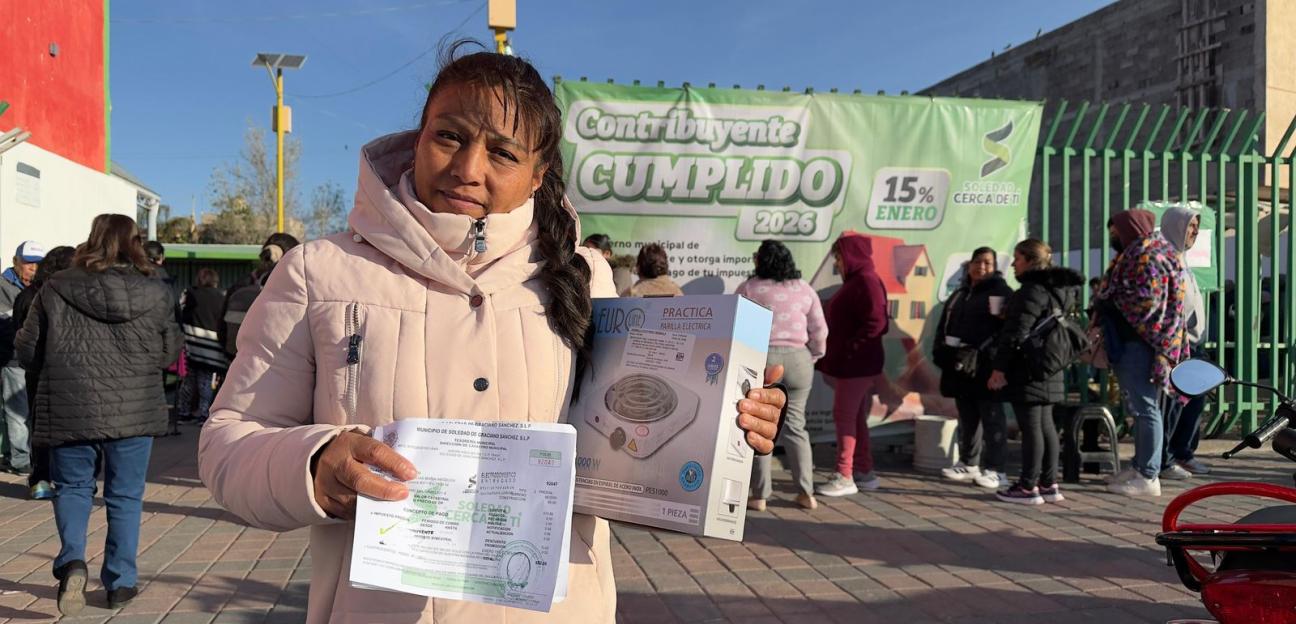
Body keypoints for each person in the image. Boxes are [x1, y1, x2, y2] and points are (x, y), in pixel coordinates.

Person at [196, 45, 786, 624]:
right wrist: (314, 464)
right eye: (449, 136)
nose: (467, 168)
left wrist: (731, 423)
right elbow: (227, 444)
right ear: (419, 137)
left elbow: (634, 444)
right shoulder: (320, 272)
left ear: (537, 175)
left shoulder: (584, 277)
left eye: (502, 152)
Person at [16, 214, 181, 615]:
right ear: (135, 242)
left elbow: (27, 348)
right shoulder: (156, 291)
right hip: (133, 408)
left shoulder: (56, 287)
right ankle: (120, 583)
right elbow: (169, 351)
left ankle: (73, 560)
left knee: (73, 488)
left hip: (70, 404)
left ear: (92, 239)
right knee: (125, 495)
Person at [1095, 209, 1190, 497]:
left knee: (1146, 409)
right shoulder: (1145, 251)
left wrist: (1109, 298)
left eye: (1116, 231)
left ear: (1131, 228)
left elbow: (1147, 301)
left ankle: (1148, 475)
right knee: (1141, 408)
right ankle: (1140, 466)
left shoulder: (1146, 254)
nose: (1114, 236)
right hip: (1140, 342)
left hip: (1141, 343)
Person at [987, 239, 1083, 505]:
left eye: (1017, 259)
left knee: (1031, 427)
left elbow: (1015, 333)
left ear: (1029, 260)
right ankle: (1049, 483)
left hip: (1028, 366)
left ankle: (1028, 487)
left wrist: (999, 368)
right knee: (1046, 426)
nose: (1014, 265)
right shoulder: (1058, 289)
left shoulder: (1030, 290)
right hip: (1051, 364)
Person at [736, 240, 827, 511]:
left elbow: (738, 322)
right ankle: (807, 492)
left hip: (764, 359)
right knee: (796, 426)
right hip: (799, 359)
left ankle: (760, 495)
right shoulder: (804, 289)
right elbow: (820, 331)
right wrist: (813, 356)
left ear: (761, 261)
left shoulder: (750, 288)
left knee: (762, 425)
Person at [933, 247, 1013, 489]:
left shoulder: (1000, 291)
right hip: (961, 362)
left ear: (994, 267)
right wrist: (942, 351)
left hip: (986, 362)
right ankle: (969, 462)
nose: (982, 267)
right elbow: (944, 324)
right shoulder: (961, 293)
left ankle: (997, 469)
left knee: (991, 416)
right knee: (967, 415)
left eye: (987, 263)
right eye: (977, 262)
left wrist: (995, 355)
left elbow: (1006, 330)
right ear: (969, 265)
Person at [815, 234, 888, 496]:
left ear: (851, 255)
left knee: (844, 417)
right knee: (855, 417)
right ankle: (864, 471)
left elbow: (877, 323)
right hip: (855, 363)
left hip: (856, 365)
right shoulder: (859, 281)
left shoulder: (866, 281)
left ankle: (844, 475)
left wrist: (850, 350)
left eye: (839, 257)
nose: (837, 263)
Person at [12, 245, 75, 500]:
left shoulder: (28, 295)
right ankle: (70, 479)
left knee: (40, 426)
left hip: (36, 371)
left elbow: (20, 336)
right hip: (65, 373)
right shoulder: (67, 297)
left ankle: (40, 479)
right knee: (69, 427)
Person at [1158, 206, 1211, 479]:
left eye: (1195, 227)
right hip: (1178, 346)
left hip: (1194, 344)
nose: (1194, 232)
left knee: (1194, 402)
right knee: (1173, 405)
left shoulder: (1183, 260)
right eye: (1189, 226)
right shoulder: (1166, 260)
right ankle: (1166, 457)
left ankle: (1183, 452)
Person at [1, 240, 45, 476]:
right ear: (16, 261)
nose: (33, 268)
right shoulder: (2, 286)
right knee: (17, 412)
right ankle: (20, 461)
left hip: (34, 360)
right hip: (13, 358)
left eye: (38, 263)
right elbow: (7, 324)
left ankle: (12, 455)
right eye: (28, 263)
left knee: (22, 411)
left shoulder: (42, 286)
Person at [219, 232, 300, 358]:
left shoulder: (238, 286)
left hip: (236, 362)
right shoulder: (294, 289)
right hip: (277, 366)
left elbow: (222, 330)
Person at [177, 268, 228, 425]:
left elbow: (180, 312)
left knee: (188, 381)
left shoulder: (190, 293)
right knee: (206, 381)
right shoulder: (221, 297)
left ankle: (183, 412)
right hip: (212, 346)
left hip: (191, 344)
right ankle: (204, 413)